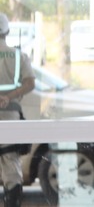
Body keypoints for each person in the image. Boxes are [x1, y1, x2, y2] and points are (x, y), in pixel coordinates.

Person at [0, 13, 35, 207]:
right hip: (10, 114)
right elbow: (30, 83)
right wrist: (9, 97)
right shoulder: (17, 55)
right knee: (10, 163)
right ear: (7, 31)